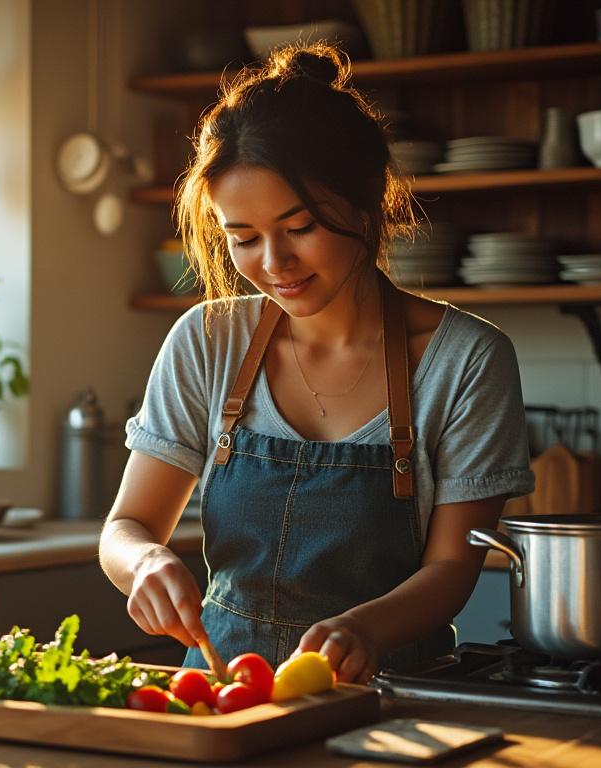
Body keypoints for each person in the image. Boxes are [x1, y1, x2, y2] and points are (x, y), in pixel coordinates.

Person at [97, 43, 535, 684]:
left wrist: (364, 629)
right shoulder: (207, 340)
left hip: (394, 695)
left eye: (299, 227)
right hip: (223, 692)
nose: (273, 263)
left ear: (365, 205)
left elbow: (451, 569)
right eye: (242, 238)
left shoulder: (466, 360)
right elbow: (127, 525)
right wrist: (143, 564)